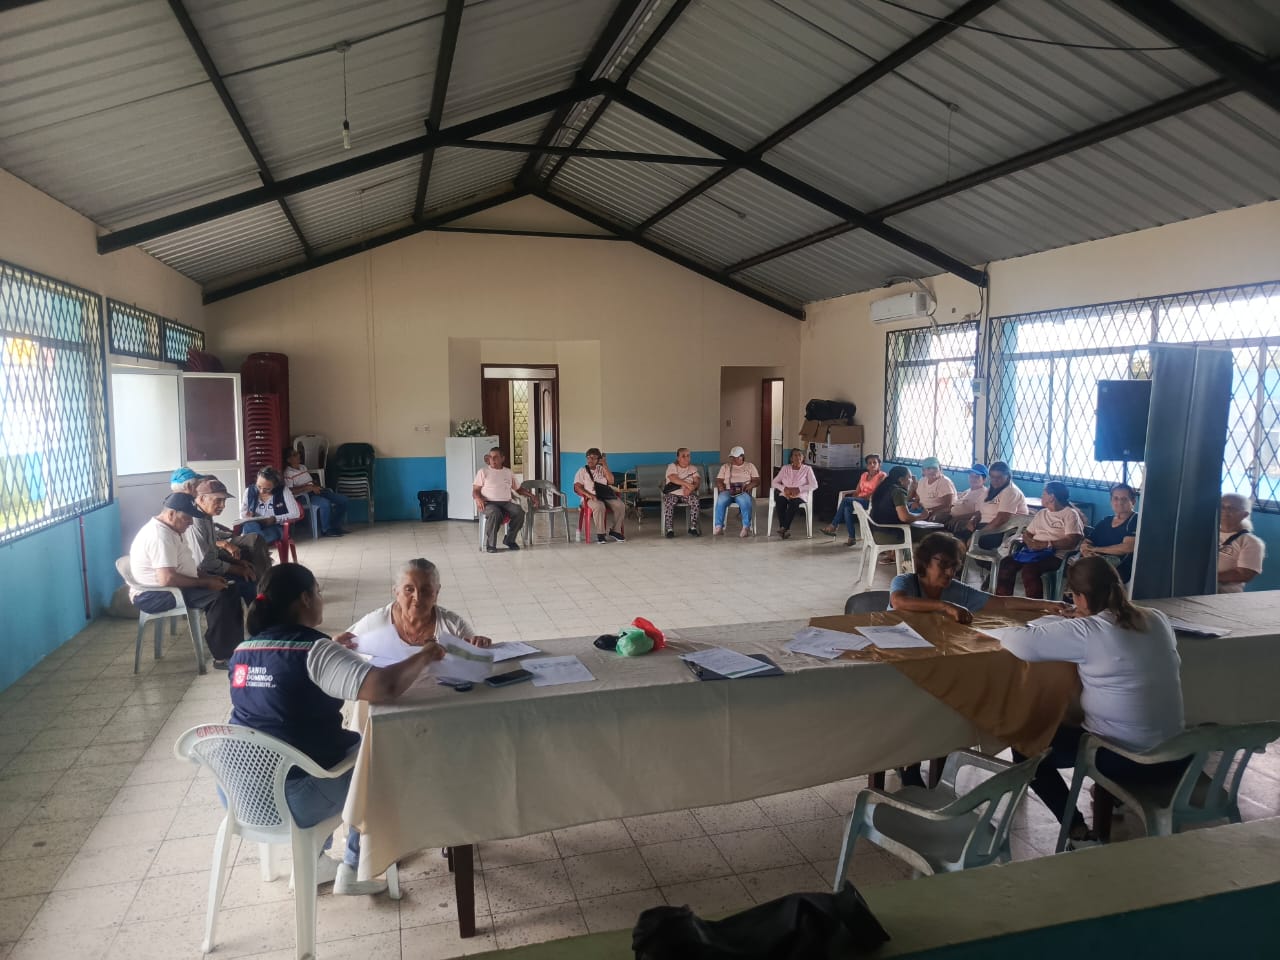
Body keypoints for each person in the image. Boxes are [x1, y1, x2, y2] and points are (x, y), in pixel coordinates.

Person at [229, 563, 446, 896]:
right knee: (377, 760)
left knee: (315, 749)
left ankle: (314, 860)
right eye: (317, 592)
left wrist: (332, 650)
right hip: (295, 798)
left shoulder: (243, 650)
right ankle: (355, 867)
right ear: (305, 599)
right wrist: (425, 655)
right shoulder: (314, 651)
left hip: (238, 793)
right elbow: (385, 687)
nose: (320, 599)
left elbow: (283, 679)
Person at [1000, 558, 1186, 844]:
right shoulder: (1157, 618)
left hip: (1125, 759)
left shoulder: (1088, 631)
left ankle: (1076, 830)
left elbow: (1016, 641)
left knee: (1027, 748)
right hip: (1178, 755)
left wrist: (1072, 623)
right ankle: (1110, 800)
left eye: (1072, 596)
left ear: (1081, 598)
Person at [889, 532, 1070, 787]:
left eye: (953, 566)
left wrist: (1046, 605)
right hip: (899, 661)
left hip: (934, 662)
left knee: (949, 702)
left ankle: (931, 760)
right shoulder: (906, 582)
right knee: (912, 706)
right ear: (925, 562)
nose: (949, 573)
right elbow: (899, 602)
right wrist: (944, 606)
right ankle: (909, 763)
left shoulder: (954, 590)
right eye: (943, 565)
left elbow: (1002, 604)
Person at [128, 492, 244, 668]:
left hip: (172, 586)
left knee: (230, 588)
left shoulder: (172, 529)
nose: (190, 522)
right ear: (171, 514)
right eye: (187, 518)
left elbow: (185, 566)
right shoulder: (160, 536)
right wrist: (206, 583)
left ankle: (237, 649)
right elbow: (167, 578)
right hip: (155, 595)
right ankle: (223, 657)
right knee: (219, 597)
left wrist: (209, 577)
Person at [338, 558, 493, 651]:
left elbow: (475, 662)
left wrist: (481, 646)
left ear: (436, 592)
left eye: (426, 590)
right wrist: (335, 645)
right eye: (409, 589)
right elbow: (342, 649)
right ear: (396, 592)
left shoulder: (454, 627)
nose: (417, 597)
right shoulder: (375, 623)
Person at [995, 481, 1084, 599]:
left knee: (1030, 570)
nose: (1041, 496)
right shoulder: (1042, 513)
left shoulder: (1070, 514)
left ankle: (1035, 605)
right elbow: (1027, 533)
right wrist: (1030, 543)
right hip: (1034, 552)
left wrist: (1046, 544)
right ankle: (1003, 601)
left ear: (1052, 497)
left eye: (1044, 493)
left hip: (1056, 556)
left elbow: (1072, 541)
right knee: (1007, 563)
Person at [186, 479, 259, 605]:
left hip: (209, 566)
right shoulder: (195, 521)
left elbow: (212, 550)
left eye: (224, 501)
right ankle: (254, 615)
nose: (223, 505)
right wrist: (236, 569)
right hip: (200, 574)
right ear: (202, 499)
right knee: (247, 582)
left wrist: (236, 562)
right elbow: (204, 563)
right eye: (218, 500)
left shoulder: (205, 516)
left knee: (250, 567)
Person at [473, 448, 535, 553]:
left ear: (502, 458)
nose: (492, 460)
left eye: (495, 457)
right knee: (495, 512)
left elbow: (518, 489)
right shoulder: (483, 472)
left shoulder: (508, 472)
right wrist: (478, 498)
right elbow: (475, 490)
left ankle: (509, 540)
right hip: (488, 503)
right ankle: (490, 544)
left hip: (506, 503)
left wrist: (532, 496)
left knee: (519, 511)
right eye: (490, 457)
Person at [958, 460, 1028, 549]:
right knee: (956, 540)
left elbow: (1001, 519)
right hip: (985, 526)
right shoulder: (990, 489)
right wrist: (973, 519)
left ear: (1008, 476)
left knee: (966, 543)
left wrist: (979, 534)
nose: (995, 480)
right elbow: (980, 510)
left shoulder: (1011, 491)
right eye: (992, 477)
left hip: (1001, 531)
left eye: (999, 477)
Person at [1078, 483, 1139, 583]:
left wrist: (1096, 549)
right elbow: (1088, 541)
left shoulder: (1136, 520)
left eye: (1124, 499)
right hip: (1096, 563)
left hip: (1118, 568)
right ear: (1111, 501)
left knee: (1086, 576)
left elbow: (1128, 547)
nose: (1119, 502)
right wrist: (1086, 551)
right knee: (1075, 570)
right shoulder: (1106, 521)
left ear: (1133, 501)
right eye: (1115, 498)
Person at [283, 447, 348, 538]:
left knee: (343, 500)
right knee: (325, 503)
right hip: (304, 496)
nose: (298, 456)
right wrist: (307, 487)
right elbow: (290, 491)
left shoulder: (303, 467)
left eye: (297, 453)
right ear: (289, 460)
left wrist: (315, 485)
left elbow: (310, 481)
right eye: (294, 455)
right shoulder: (288, 473)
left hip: (315, 490)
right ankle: (326, 530)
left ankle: (335, 526)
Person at [821, 454, 886, 544]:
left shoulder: (882, 476)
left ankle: (833, 525)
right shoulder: (864, 475)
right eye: (869, 463)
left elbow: (876, 492)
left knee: (845, 500)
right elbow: (857, 490)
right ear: (867, 465)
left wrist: (856, 499)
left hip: (871, 501)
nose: (872, 465)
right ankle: (851, 538)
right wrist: (854, 499)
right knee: (847, 508)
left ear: (879, 464)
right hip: (859, 500)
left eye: (875, 462)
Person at [574, 449, 625, 544]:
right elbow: (577, 487)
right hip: (590, 498)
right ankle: (601, 534)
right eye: (588, 457)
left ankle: (615, 531)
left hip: (605, 495)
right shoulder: (582, 471)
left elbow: (611, 481)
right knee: (599, 506)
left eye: (593, 458)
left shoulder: (602, 469)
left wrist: (604, 464)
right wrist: (590, 495)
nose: (590, 460)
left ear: (599, 459)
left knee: (620, 505)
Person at [240, 466, 301, 546]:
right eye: (259, 486)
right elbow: (243, 513)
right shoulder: (249, 491)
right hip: (255, 525)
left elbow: (296, 514)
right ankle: (258, 549)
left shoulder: (283, 491)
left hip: (276, 527)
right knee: (249, 526)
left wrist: (275, 519)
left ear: (275, 485)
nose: (261, 491)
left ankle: (255, 548)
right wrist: (247, 515)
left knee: (254, 538)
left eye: (267, 489)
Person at [1218, 493, 1266, 593]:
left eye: (1232, 508)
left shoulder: (1252, 542)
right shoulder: (1207, 534)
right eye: (1222, 507)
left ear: (1244, 515)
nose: (1225, 511)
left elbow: (1243, 574)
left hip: (1223, 595)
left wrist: (1206, 578)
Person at [868, 466, 921, 548]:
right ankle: (905, 555)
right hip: (889, 536)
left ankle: (894, 553)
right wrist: (922, 516)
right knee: (930, 533)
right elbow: (904, 517)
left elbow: (901, 502)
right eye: (910, 477)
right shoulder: (898, 491)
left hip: (875, 532)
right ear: (901, 479)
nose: (912, 480)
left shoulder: (884, 488)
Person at [770, 448, 818, 539]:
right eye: (795, 455)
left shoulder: (807, 469)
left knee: (793, 502)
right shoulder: (785, 468)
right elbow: (774, 482)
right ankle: (784, 529)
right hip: (786, 494)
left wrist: (799, 489)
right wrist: (784, 488)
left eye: (800, 455)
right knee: (780, 501)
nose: (797, 457)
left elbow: (814, 485)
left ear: (803, 458)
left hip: (800, 495)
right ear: (791, 458)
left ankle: (784, 528)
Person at [714, 445, 759, 538]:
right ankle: (719, 527)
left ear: (741, 457)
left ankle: (746, 527)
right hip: (728, 490)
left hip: (742, 491)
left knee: (744, 501)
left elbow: (757, 480)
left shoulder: (750, 466)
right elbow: (719, 480)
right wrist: (721, 486)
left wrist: (749, 486)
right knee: (721, 499)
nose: (733, 459)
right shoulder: (725, 466)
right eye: (732, 457)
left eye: (735, 457)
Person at [663, 447, 702, 538]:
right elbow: (673, 478)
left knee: (695, 501)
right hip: (673, 492)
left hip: (687, 493)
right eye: (683, 456)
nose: (686, 458)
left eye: (688, 456)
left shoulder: (693, 468)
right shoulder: (672, 466)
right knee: (669, 501)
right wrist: (687, 485)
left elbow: (697, 482)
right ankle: (669, 529)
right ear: (678, 458)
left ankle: (693, 527)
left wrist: (691, 489)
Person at [945, 464, 989, 537]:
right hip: (951, 516)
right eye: (971, 476)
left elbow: (979, 513)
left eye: (977, 477)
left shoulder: (983, 493)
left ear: (984, 479)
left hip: (962, 521)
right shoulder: (968, 491)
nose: (973, 479)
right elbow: (955, 504)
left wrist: (958, 518)